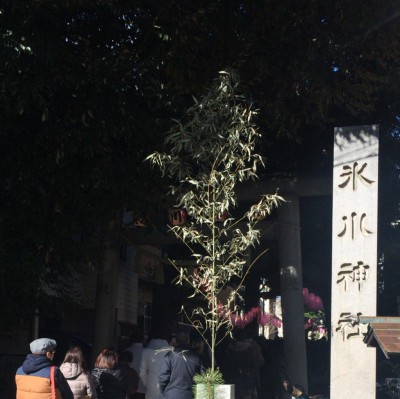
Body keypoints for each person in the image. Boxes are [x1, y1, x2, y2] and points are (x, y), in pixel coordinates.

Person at [222, 328, 264, 399]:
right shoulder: (253, 346)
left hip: (234, 375)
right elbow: (260, 362)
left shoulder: (229, 348)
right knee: (248, 395)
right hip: (249, 374)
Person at [158, 330, 202, 399]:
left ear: (175, 341)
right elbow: (201, 379)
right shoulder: (197, 358)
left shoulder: (169, 356)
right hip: (189, 395)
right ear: (188, 340)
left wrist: (164, 391)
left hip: (171, 395)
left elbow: (163, 377)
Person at [140, 328, 172, 399]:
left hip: (151, 387)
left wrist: (147, 383)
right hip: (167, 388)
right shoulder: (172, 351)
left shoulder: (146, 351)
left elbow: (142, 372)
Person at [126, 329, 146, 399]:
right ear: (143, 339)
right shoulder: (146, 352)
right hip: (143, 387)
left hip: (128, 387)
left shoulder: (127, 351)